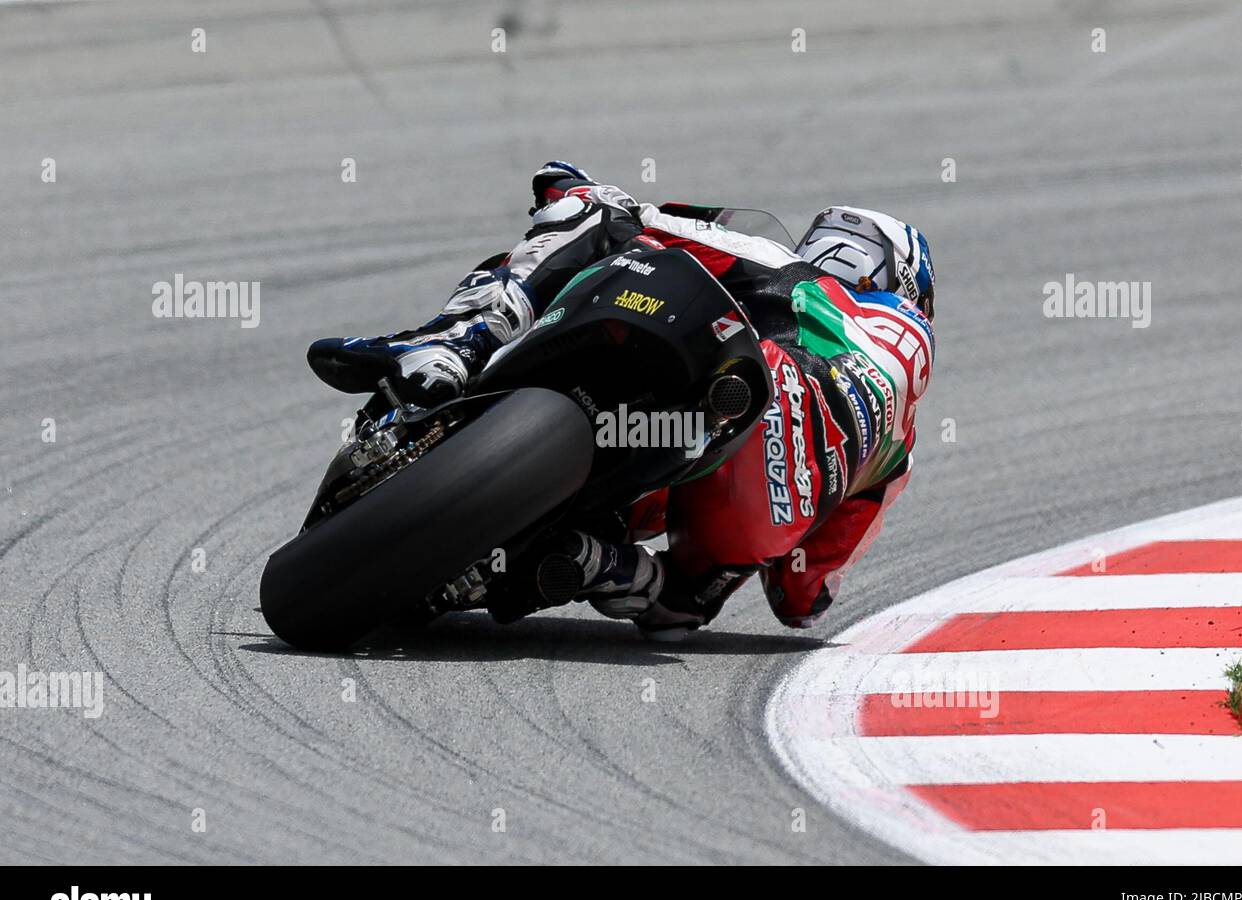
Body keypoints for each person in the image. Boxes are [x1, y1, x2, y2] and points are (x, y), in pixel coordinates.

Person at [308, 162, 936, 640]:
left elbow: (636, 219)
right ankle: (607, 566)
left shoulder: (785, 268)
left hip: (747, 386)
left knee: (600, 206)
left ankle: (453, 345)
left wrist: (567, 186)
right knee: (681, 605)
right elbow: (800, 601)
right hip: (740, 504)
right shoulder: (901, 447)